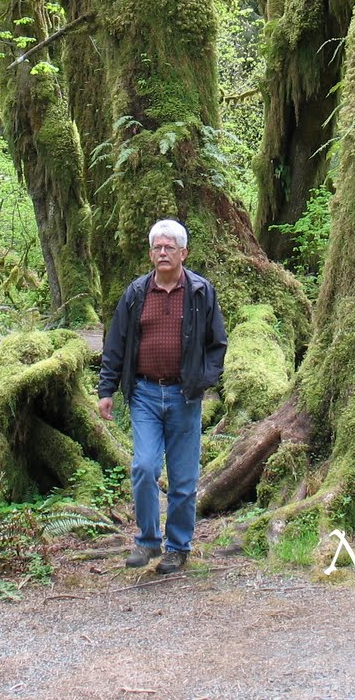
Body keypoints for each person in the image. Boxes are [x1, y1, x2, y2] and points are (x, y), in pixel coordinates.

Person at [97, 218, 227, 574]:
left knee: (183, 481)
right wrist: (106, 389)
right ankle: (147, 541)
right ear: (151, 253)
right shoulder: (136, 293)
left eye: (170, 247)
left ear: (184, 253)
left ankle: (177, 547)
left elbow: (218, 344)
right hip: (145, 394)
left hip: (186, 396)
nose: (163, 253)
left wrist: (204, 380)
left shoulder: (200, 292)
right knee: (144, 467)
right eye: (158, 247)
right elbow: (116, 345)